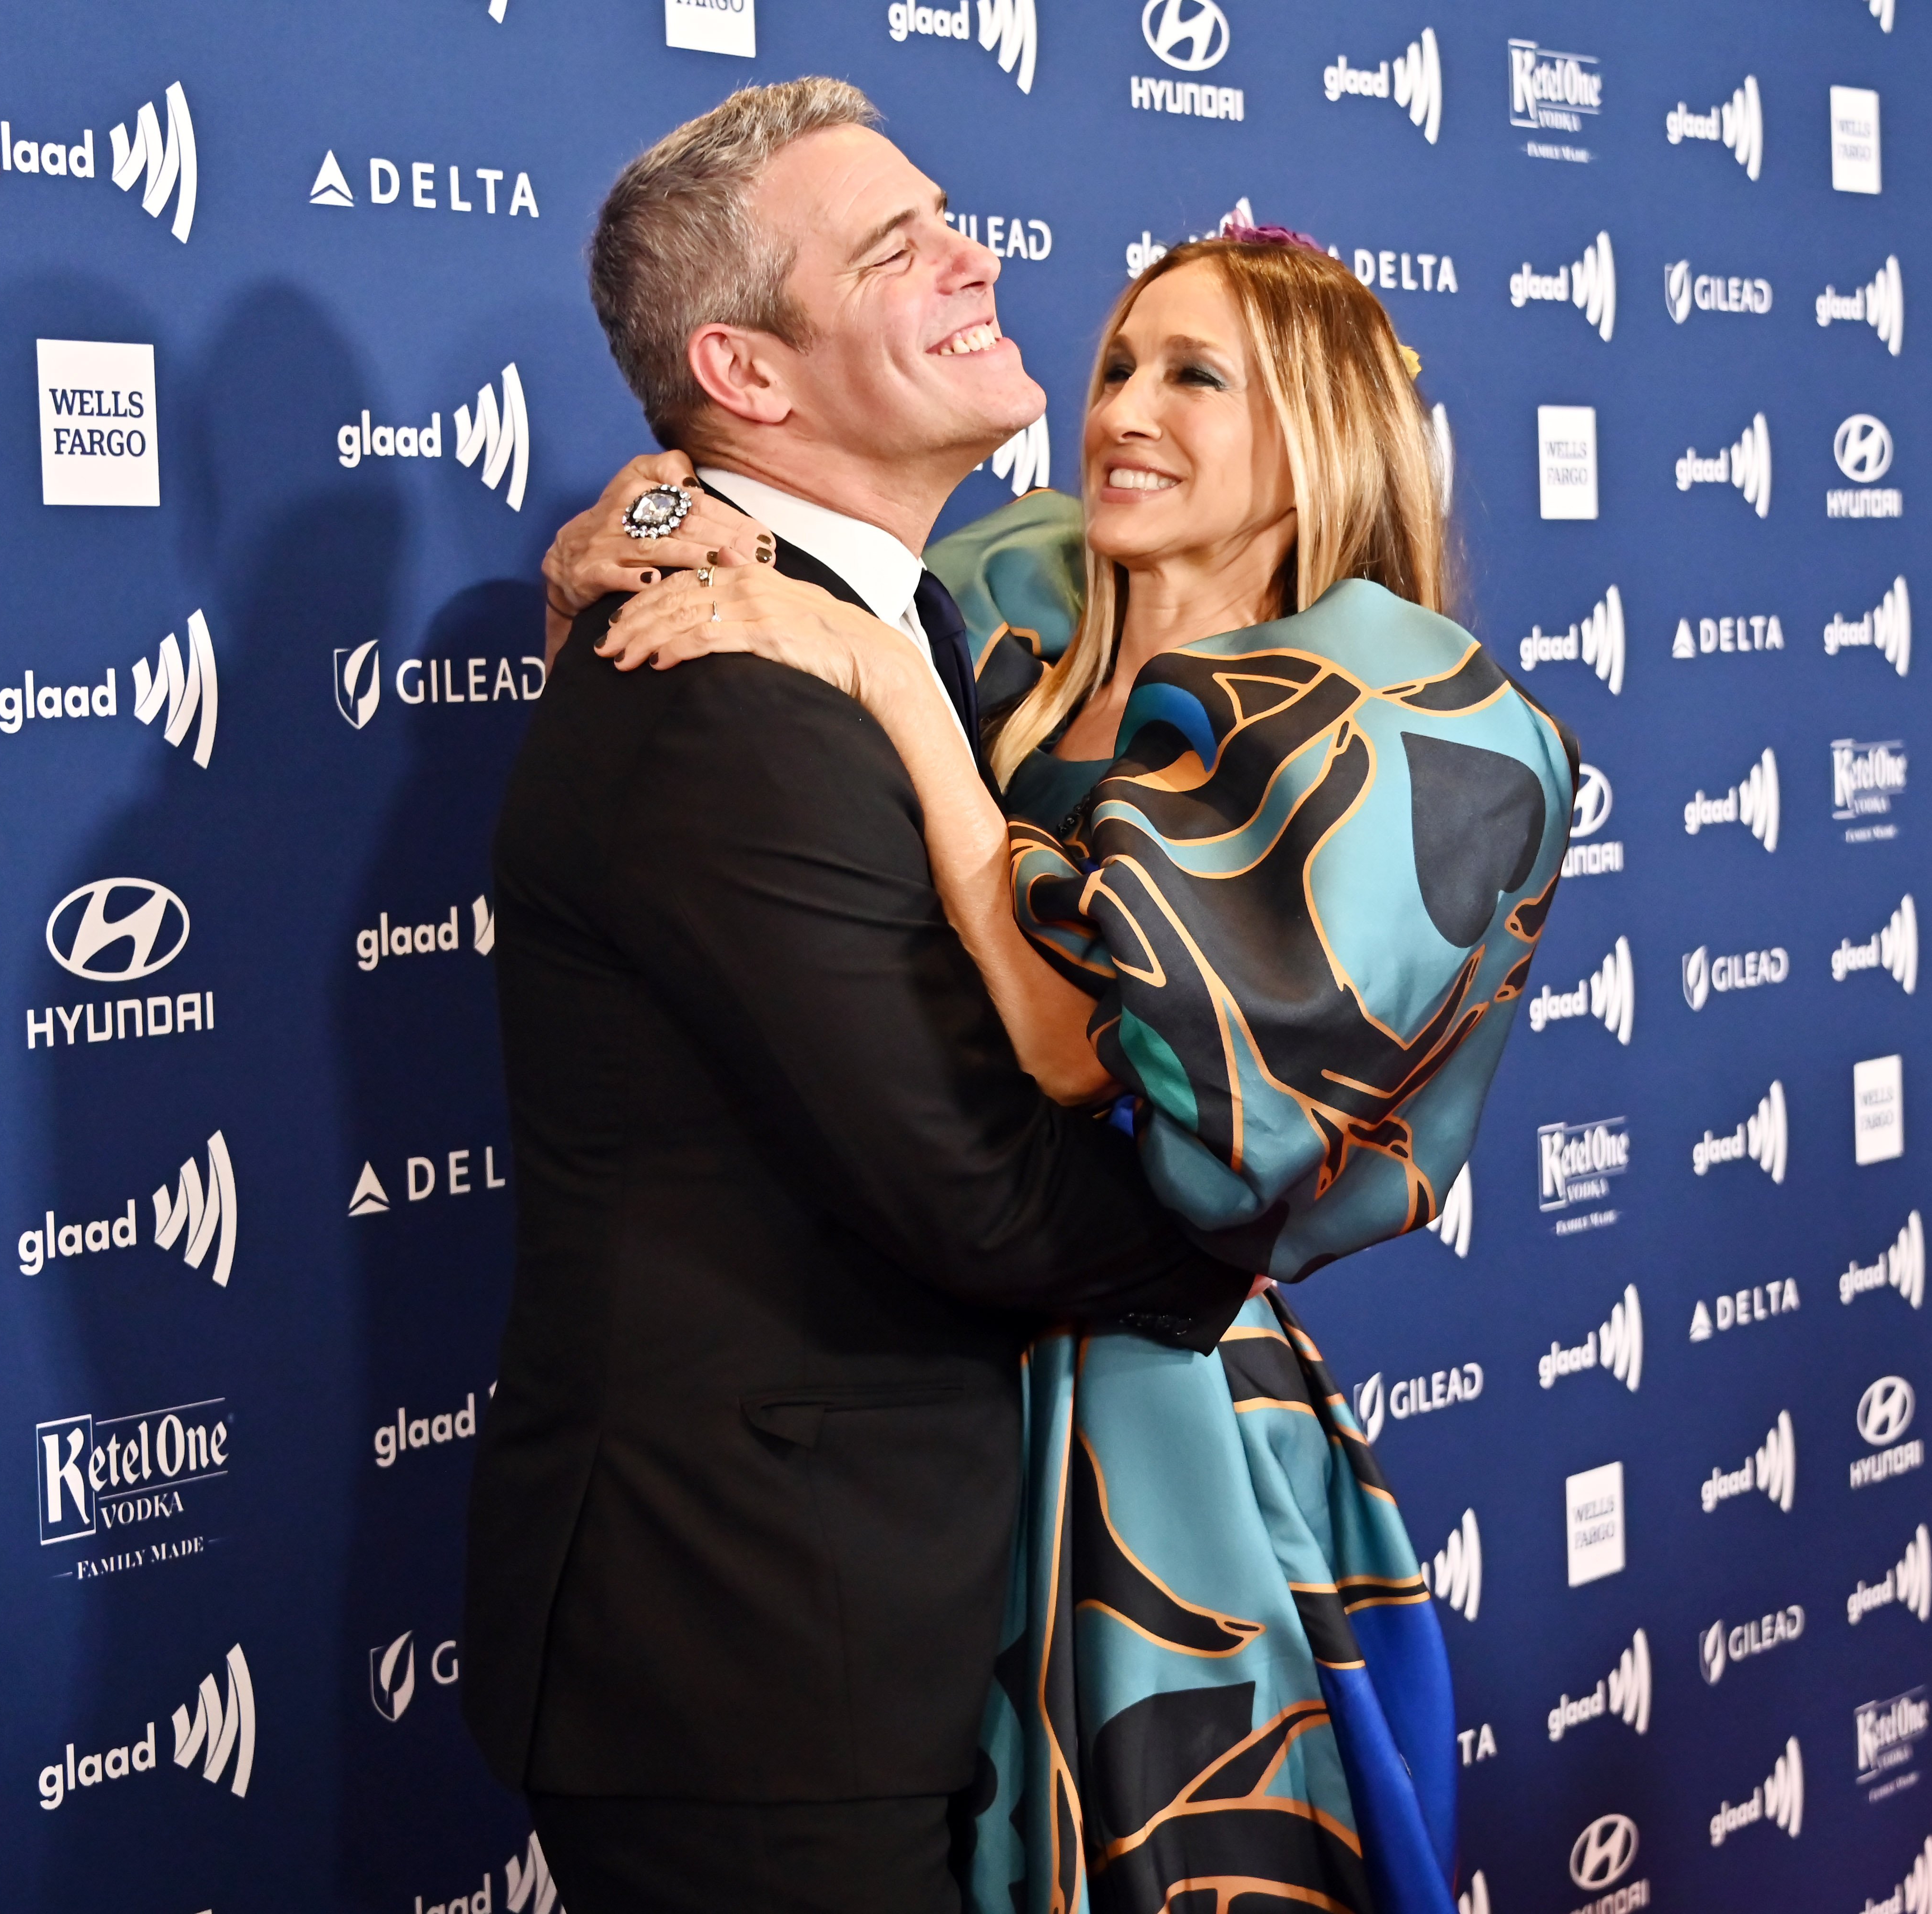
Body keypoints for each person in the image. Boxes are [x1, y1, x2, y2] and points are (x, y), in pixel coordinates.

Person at [545, 201, 1577, 1912]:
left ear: (1320, 436)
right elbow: (775, 523)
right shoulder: (1016, 598)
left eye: (1194, 379)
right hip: (908, 1426)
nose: (1122, 415)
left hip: (1157, 1432)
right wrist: (637, 521)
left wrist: (892, 697)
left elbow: (1069, 1049)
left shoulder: (1390, 722)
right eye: (1114, 367)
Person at [462, 79, 1258, 1914]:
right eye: (899, 249)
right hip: (749, 1665)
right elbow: (971, 1188)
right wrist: (1273, 1194)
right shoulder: (720, 684)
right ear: (746, 371)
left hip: (865, 1618)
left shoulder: (914, 620)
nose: (976, 260)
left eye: (948, 217)